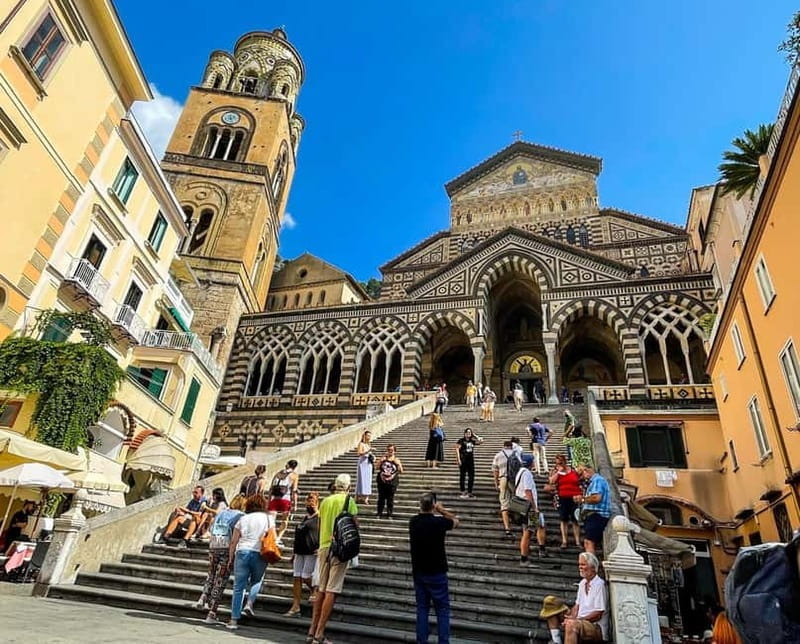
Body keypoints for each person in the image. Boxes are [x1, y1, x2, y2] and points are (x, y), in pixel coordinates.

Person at [306, 473, 359, 644]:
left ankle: (312, 630)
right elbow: (354, 525)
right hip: (339, 547)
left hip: (324, 545)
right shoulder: (349, 501)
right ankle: (319, 633)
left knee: (321, 588)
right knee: (332, 589)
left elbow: (320, 524)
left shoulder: (325, 501)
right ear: (348, 486)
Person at [409, 493, 459, 644]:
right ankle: (443, 641)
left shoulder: (413, 522)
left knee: (422, 609)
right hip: (437, 571)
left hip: (419, 571)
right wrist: (441, 510)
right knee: (442, 610)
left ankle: (421, 640)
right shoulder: (439, 522)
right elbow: (456, 521)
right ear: (433, 506)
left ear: (420, 505)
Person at [194, 494, 246, 624]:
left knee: (211, 573)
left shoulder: (222, 512)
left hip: (214, 545)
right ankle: (212, 612)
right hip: (227, 548)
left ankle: (203, 596)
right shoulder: (240, 516)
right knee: (220, 580)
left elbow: (212, 528)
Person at [227, 494, 274, 630]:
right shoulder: (268, 519)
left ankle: (233, 620)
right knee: (257, 580)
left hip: (242, 551)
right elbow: (273, 537)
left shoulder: (243, 519)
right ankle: (249, 604)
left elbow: (234, 541)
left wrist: (230, 558)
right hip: (260, 552)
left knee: (238, 587)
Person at [543, 552, 608, 644]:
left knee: (571, 624)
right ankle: (557, 641)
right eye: (579, 564)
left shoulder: (599, 585)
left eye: (583, 564)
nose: (580, 567)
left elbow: (598, 614)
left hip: (595, 626)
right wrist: (572, 616)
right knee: (551, 607)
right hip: (580, 620)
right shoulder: (582, 583)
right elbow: (577, 606)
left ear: (593, 567)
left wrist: (576, 620)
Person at [284, 491, 320, 617]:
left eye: (312, 502)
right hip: (299, 551)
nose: (309, 504)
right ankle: (295, 606)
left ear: (317, 503)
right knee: (296, 577)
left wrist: (321, 548)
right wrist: (294, 553)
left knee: (306, 576)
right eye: (308, 501)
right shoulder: (305, 518)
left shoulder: (319, 518)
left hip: (311, 551)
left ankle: (315, 589)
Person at [515, 454, 547, 564]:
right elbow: (528, 491)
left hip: (523, 506)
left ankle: (542, 548)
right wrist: (534, 508)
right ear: (530, 463)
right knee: (528, 532)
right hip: (529, 508)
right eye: (533, 461)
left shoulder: (520, 472)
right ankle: (524, 559)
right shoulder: (527, 474)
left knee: (540, 525)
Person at [575, 464, 611, 554]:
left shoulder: (597, 480)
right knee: (588, 542)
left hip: (596, 515)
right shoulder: (595, 481)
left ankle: (591, 562)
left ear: (586, 470)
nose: (582, 477)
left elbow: (596, 498)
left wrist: (582, 499)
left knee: (589, 542)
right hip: (594, 516)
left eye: (581, 474)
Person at [549, 455, 582, 549]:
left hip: (575, 497)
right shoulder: (556, 471)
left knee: (575, 519)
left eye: (560, 462)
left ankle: (577, 541)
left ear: (565, 462)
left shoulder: (573, 470)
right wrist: (558, 472)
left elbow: (579, 480)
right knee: (563, 519)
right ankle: (564, 541)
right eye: (557, 463)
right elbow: (551, 481)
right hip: (562, 497)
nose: (559, 464)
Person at [269, 459, 299, 545]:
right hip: (286, 499)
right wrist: (295, 504)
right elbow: (294, 491)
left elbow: (271, 489)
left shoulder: (278, 473)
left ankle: (273, 536)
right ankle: (278, 538)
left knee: (271, 521)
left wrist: (269, 501)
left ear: (287, 465)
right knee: (284, 520)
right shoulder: (294, 475)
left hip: (274, 499)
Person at [492, 440, 517, 538]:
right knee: (519, 500)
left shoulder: (498, 455)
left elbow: (495, 470)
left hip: (503, 479)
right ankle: (528, 528)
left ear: (504, 446)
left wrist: (496, 482)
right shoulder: (516, 454)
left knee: (504, 502)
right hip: (515, 480)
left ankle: (507, 528)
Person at [376, 444, 404, 519]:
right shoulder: (383, 459)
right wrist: (380, 461)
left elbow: (401, 471)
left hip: (392, 482)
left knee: (390, 498)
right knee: (381, 498)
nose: (390, 451)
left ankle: (389, 514)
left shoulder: (397, 460)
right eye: (388, 450)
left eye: (392, 450)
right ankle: (379, 513)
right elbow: (377, 467)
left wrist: (398, 464)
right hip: (382, 481)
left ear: (394, 451)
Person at [455, 428, 482, 498]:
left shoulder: (472, 441)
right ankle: (463, 491)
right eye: (467, 432)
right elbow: (457, 449)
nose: (468, 434)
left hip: (470, 460)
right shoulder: (461, 441)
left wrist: (475, 436)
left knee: (471, 476)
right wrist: (458, 459)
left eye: (470, 432)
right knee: (462, 476)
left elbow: (481, 441)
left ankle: (470, 492)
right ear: (464, 433)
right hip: (463, 460)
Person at [356, 431, 373, 503]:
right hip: (363, 463)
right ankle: (358, 496)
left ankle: (366, 498)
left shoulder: (368, 444)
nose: (369, 437)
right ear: (364, 436)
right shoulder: (361, 444)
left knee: (368, 480)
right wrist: (368, 451)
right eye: (368, 435)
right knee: (361, 480)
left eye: (370, 436)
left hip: (368, 464)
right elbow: (359, 453)